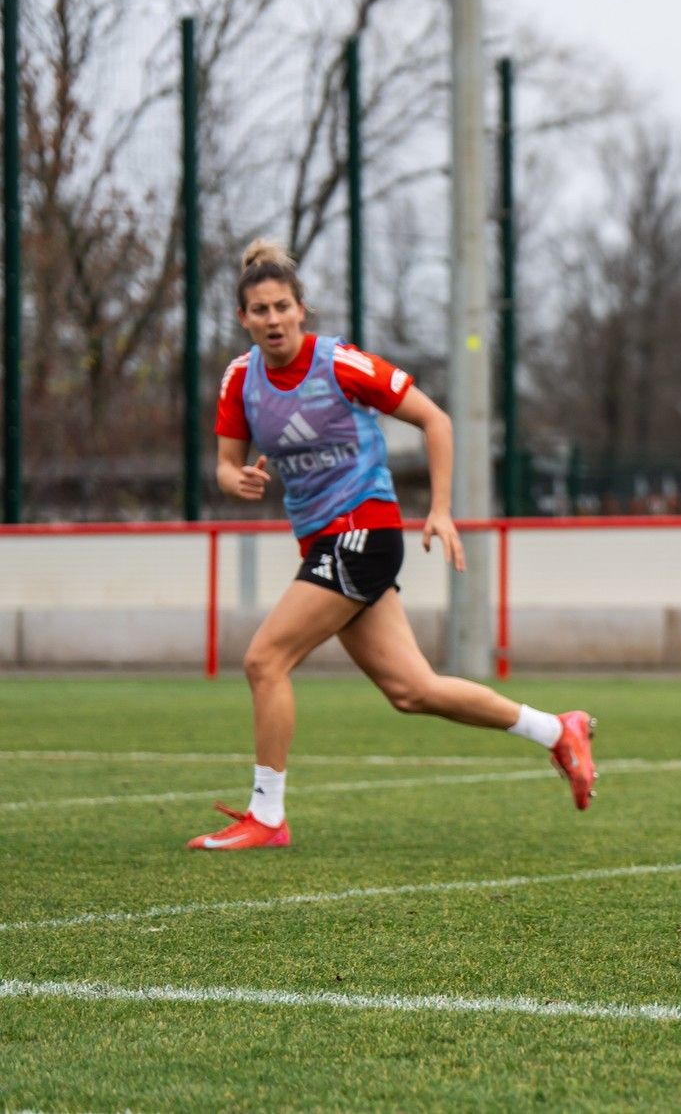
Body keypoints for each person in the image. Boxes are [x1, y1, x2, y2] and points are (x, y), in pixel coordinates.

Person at [189, 240, 595, 850]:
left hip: (363, 533)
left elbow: (436, 420)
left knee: (263, 660)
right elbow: (225, 463)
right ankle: (557, 731)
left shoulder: (341, 364)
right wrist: (235, 479)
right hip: (323, 544)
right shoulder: (241, 379)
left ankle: (267, 816)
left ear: (302, 309)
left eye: (282, 307)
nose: (273, 320)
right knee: (413, 690)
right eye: (260, 310)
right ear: (243, 318)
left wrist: (440, 509)